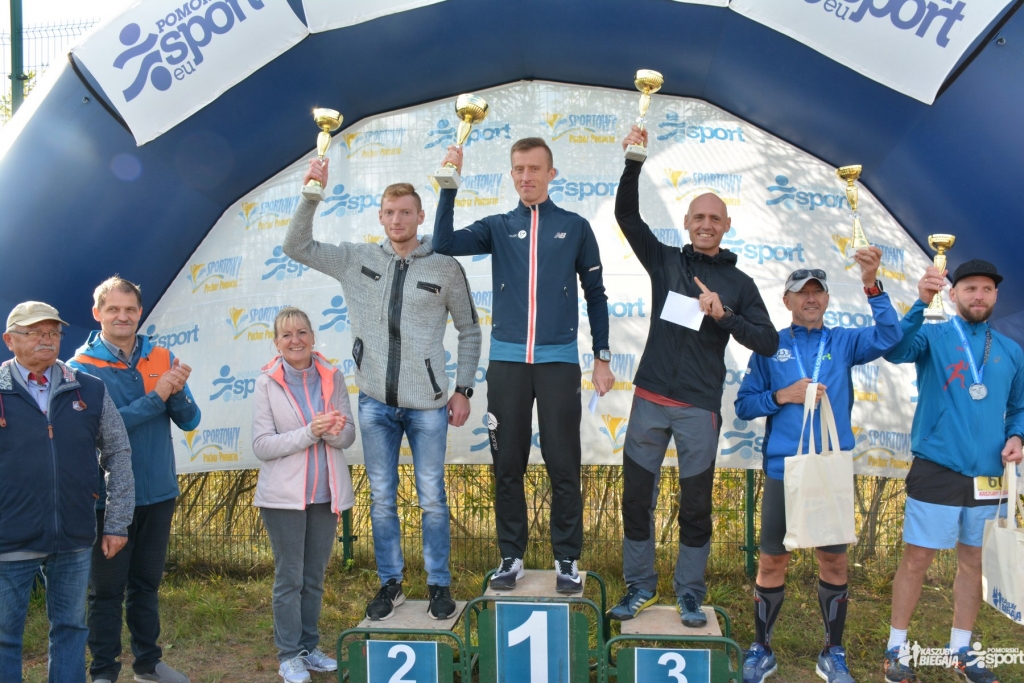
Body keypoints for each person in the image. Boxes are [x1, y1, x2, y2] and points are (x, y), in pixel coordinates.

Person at [285, 174, 480, 620]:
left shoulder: (445, 267)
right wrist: (311, 195)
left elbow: (469, 329)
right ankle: (391, 584)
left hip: (428, 405)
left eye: (405, 212)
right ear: (380, 216)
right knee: (383, 499)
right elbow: (296, 246)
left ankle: (439, 585)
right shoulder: (356, 258)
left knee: (432, 499)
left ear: (420, 216)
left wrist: (463, 388)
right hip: (375, 402)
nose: (397, 220)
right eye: (390, 212)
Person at [607, 125, 778, 626]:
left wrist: (725, 316)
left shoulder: (740, 283)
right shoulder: (664, 260)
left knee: (696, 506)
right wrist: (634, 161)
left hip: (699, 407)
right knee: (636, 499)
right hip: (649, 399)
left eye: (714, 218)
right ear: (686, 222)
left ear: (726, 226)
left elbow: (768, 341)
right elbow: (626, 215)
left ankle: (689, 593)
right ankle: (639, 586)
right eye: (698, 217)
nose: (706, 224)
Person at [432, 137, 615, 593]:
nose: (526, 176)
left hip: (558, 364)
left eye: (535, 168)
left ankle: (567, 559)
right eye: (519, 169)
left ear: (552, 174)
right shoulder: (498, 226)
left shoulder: (574, 227)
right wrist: (449, 184)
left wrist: (602, 357)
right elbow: (443, 244)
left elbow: (596, 296)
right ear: (511, 174)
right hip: (508, 364)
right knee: (507, 465)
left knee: (563, 465)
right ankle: (510, 556)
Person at [734, 258, 901, 683]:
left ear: (826, 299)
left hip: (828, 470)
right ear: (786, 300)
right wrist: (782, 396)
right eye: (801, 293)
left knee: (834, 563)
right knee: (772, 563)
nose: (810, 298)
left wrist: (872, 286)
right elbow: (744, 405)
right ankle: (762, 649)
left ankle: (832, 652)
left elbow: (890, 336)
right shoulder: (770, 345)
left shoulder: (844, 341)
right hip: (783, 470)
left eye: (817, 292)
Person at [881, 260, 1024, 683]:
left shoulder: (1011, 350)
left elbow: (1019, 407)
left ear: (995, 296)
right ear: (954, 293)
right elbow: (894, 350)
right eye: (970, 288)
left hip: (988, 476)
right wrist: (919, 303)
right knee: (917, 559)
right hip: (937, 468)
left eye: (986, 289)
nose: (979, 296)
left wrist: (1017, 436)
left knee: (973, 561)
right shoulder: (933, 335)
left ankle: (960, 651)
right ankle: (895, 649)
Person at [69, 277, 200, 683]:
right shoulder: (80, 368)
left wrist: (177, 392)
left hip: (159, 493)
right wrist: (157, 396)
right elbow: (102, 431)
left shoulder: (161, 356)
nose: (122, 317)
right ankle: (104, 672)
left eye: (130, 309)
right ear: (98, 314)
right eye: (113, 309)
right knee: (106, 592)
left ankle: (148, 664)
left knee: (146, 585)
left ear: (140, 312)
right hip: (105, 500)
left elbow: (190, 420)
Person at [0, 301, 134, 683]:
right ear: (10, 340)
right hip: (9, 540)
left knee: (71, 630)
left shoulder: (89, 388)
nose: (46, 339)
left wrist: (117, 521)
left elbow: (118, 452)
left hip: (74, 537)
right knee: (4, 636)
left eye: (53, 332)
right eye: (35, 332)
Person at [251, 307, 356, 683]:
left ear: (312, 337)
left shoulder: (333, 375)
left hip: (327, 495)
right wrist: (311, 432)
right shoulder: (266, 383)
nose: (295, 340)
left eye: (301, 332)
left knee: (313, 578)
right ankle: (288, 656)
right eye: (286, 335)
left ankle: (309, 648)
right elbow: (262, 445)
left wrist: (334, 431)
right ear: (276, 343)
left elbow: (348, 435)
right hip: (283, 499)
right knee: (290, 579)